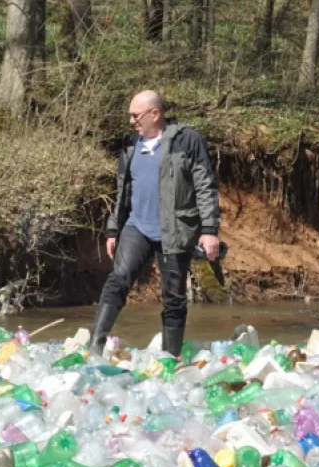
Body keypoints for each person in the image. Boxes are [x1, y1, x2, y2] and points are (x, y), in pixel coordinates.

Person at [90, 90, 221, 357]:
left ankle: (169, 357)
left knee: (173, 297)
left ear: (155, 114)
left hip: (175, 229)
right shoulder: (129, 144)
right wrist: (114, 228)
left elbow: (205, 186)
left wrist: (209, 231)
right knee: (118, 280)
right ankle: (95, 347)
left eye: (135, 115)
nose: (131, 121)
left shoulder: (188, 141)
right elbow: (122, 191)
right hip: (136, 227)